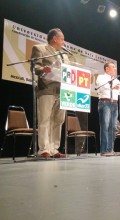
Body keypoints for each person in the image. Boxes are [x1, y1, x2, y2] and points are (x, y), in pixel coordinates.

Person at [31, 28, 68, 158]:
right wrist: (43, 69)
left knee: (59, 120)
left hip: (62, 91)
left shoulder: (64, 55)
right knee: (45, 119)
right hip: (46, 88)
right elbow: (35, 67)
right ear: (55, 38)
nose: (64, 42)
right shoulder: (40, 49)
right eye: (62, 39)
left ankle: (54, 148)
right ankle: (44, 149)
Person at [96, 61, 120, 156]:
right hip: (105, 102)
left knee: (113, 127)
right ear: (107, 69)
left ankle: (110, 150)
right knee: (105, 126)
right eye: (113, 67)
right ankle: (104, 150)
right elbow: (100, 87)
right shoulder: (101, 77)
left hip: (114, 104)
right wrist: (111, 88)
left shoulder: (116, 80)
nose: (115, 69)